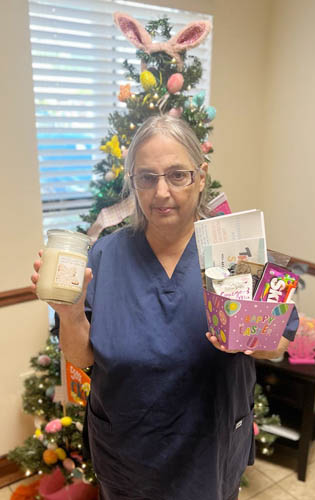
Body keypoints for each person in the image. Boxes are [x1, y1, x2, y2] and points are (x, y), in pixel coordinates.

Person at [31, 115, 299, 500]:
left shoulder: (235, 252)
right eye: (147, 177)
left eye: (177, 175)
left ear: (201, 177)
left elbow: (280, 341)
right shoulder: (105, 254)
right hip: (127, 451)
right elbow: (81, 356)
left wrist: (255, 338)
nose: (161, 192)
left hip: (210, 449)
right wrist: (69, 314)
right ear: (133, 182)